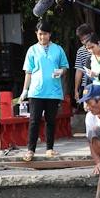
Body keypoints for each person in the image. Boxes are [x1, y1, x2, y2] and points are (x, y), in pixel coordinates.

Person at [19, 20, 69, 161]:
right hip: (36, 91)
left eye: (45, 34)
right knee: (34, 120)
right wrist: (25, 90)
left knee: (51, 121)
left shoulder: (58, 49)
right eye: (40, 34)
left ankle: (49, 148)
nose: (42, 37)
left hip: (53, 91)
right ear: (36, 34)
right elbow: (28, 72)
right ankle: (30, 150)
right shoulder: (32, 50)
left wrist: (61, 71)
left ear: (50, 34)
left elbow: (65, 67)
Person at [73, 23, 100, 103]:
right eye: (82, 40)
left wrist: (98, 74)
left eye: (85, 38)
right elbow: (79, 70)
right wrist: (76, 90)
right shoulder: (81, 51)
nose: (84, 41)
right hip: (88, 85)